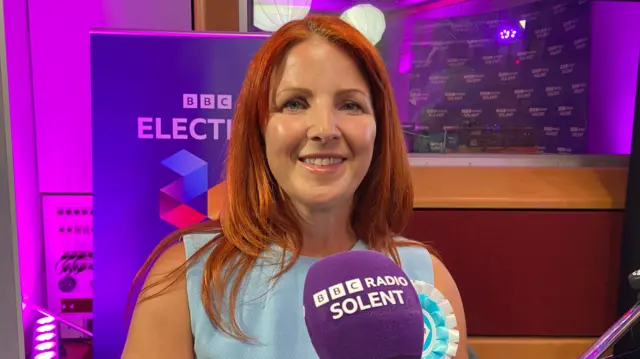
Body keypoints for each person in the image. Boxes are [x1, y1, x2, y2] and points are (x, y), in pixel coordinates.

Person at [121, 14, 468, 359]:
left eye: (350, 104)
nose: (324, 129)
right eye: (295, 103)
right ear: (259, 128)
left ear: (379, 128)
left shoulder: (426, 278)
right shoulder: (185, 280)